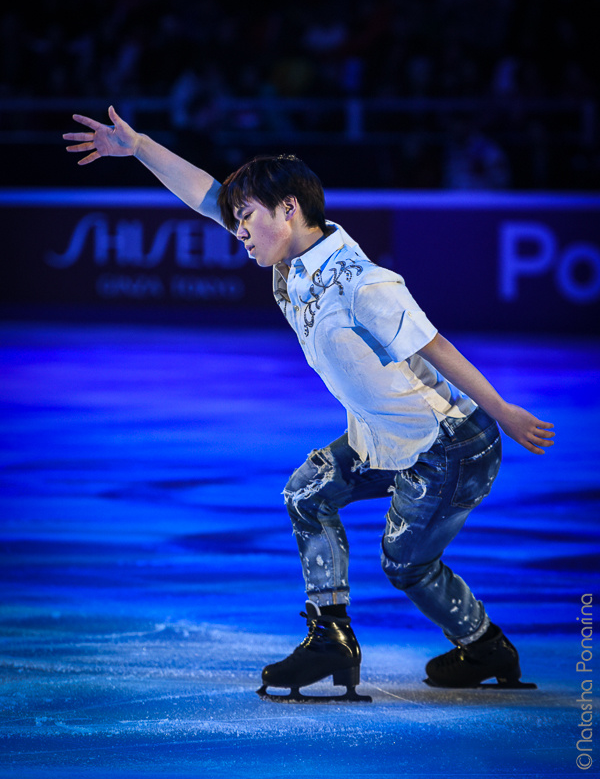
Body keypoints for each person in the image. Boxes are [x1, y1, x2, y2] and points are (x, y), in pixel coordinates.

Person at [64, 107, 555, 702]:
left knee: (405, 564)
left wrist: (505, 411)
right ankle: (331, 638)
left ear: (289, 209)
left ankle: (483, 645)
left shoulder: (361, 282)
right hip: (386, 433)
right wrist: (139, 146)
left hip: (451, 444)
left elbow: (437, 347)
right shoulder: (293, 260)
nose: (237, 231)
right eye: (238, 221)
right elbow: (208, 195)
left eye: (247, 218)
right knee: (307, 492)